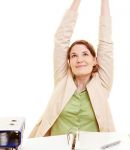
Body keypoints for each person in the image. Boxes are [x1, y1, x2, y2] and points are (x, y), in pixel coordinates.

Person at [29, 0, 115, 138]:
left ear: (95, 60)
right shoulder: (62, 79)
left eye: (85, 54)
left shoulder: (103, 83)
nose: (79, 59)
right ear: (69, 62)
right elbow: (61, 39)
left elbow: (106, 42)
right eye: (74, 55)